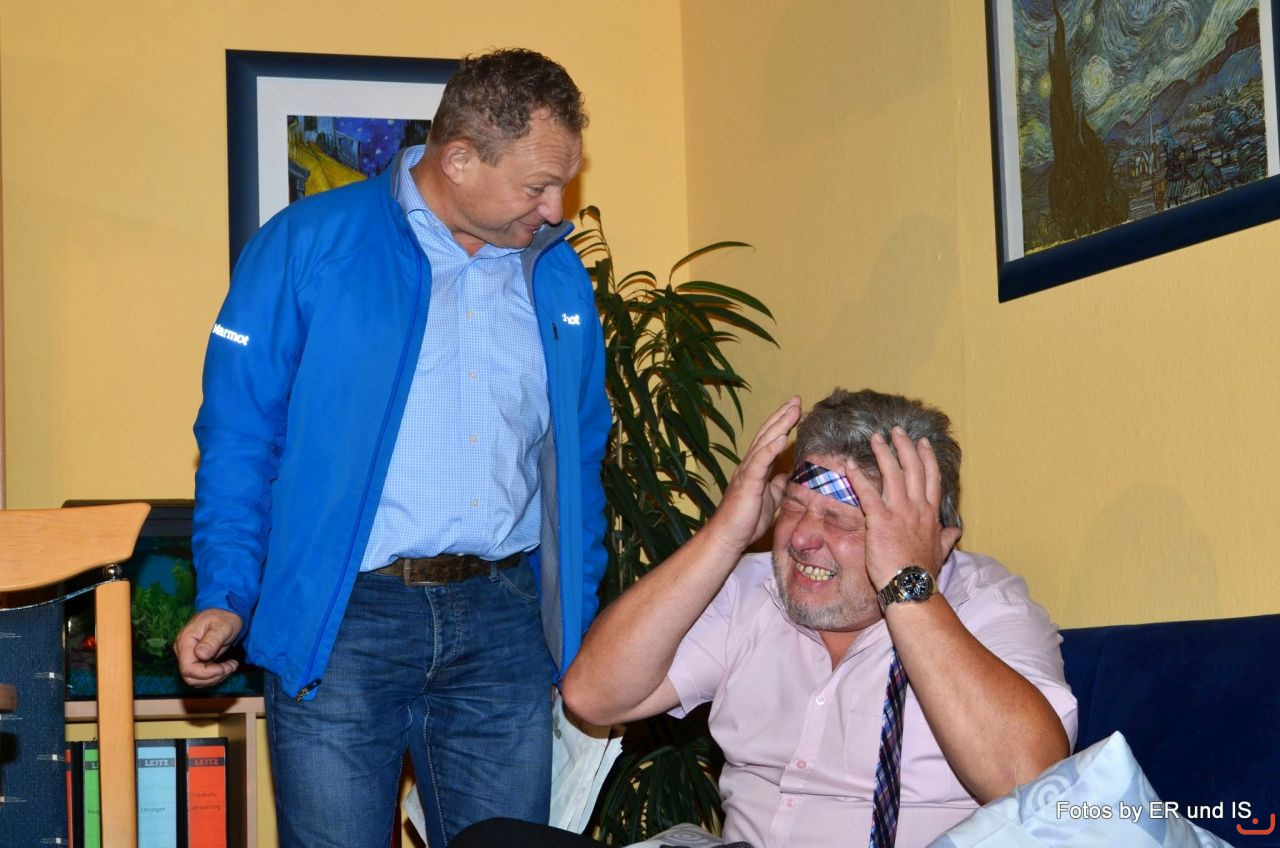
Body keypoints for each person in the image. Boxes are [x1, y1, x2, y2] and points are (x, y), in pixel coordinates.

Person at [173, 48, 609, 848]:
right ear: (459, 159)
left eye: (564, 185)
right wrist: (226, 592)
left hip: (503, 624)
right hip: (342, 621)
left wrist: (570, 633)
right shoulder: (305, 245)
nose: (556, 210)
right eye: (538, 186)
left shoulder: (557, 276)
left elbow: (579, 464)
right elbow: (239, 439)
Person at [457, 389, 1076, 848]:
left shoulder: (984, 606)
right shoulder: (754, 591)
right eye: (796, 508)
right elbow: (593, 695)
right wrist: (725, 535)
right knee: (492, 841)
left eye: (842, 520)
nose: (802, 538)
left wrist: (907, 585)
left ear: (932, 541)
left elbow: (1031, 781)